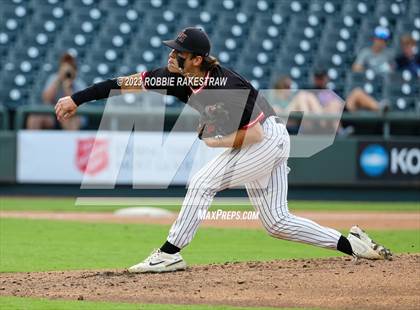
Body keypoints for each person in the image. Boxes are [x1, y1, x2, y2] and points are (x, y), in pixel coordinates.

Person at [55, 27, 392, 273]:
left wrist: (213, 141)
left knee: (202, 182)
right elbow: (121, 83)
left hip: (265, 138)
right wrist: (76, 98)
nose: (171, 56)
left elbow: (255, 134)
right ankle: (354, 245)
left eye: (179, 53)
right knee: (276, 222)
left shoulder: (226, 87)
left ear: (198, 59)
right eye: (172, 50)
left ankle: (170, 252)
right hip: (262, 138)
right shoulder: (172, 77)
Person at [27, 53, 86, 130]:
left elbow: (74, 104)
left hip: (72, 115)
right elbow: (46, 98)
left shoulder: (79, 83)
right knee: (34, 118)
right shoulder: (54, 78)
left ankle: (70, 142)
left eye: (70, 65)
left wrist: (67, 86)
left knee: (69, 120)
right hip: (53, 114)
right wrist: (59, 79)